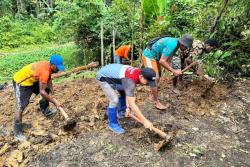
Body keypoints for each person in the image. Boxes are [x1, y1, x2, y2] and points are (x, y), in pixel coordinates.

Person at [12, 54, 65, 142]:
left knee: (46, 89)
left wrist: (52, 92)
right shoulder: (44, 71)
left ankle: (46, 111)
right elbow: (41, 91)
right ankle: (17, 132)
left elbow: (49, 79)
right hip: (21, 82)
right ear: (52, 65)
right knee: (21, 106)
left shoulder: (48, 67)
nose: (58, 70)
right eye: (57, 68)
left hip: (33, 80)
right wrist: (53, 101)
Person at [96, 64, 155, 134]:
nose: (148, 84)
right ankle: (112, 124)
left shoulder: (137, 74)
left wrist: (128, 107)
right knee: (114, 100)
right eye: (148, 82)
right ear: (141, 76)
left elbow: (128, 93)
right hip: (103, 77)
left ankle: (122, 110)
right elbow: (132, 104)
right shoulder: (130, 80)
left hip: (114, 74)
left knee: (125, 92)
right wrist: (145, 121)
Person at [142, 35, 193, 109]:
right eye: (186, 47)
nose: (186, 49)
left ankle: (153, 96)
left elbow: (168, 60)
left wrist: (175, 70)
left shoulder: (176, 45)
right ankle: (156, 102)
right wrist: (173, 71)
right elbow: (162, 61)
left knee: (158, 77)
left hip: (155, 57)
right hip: (149, 56)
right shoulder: (172, 44)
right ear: (182, 44)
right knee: (155, 77)